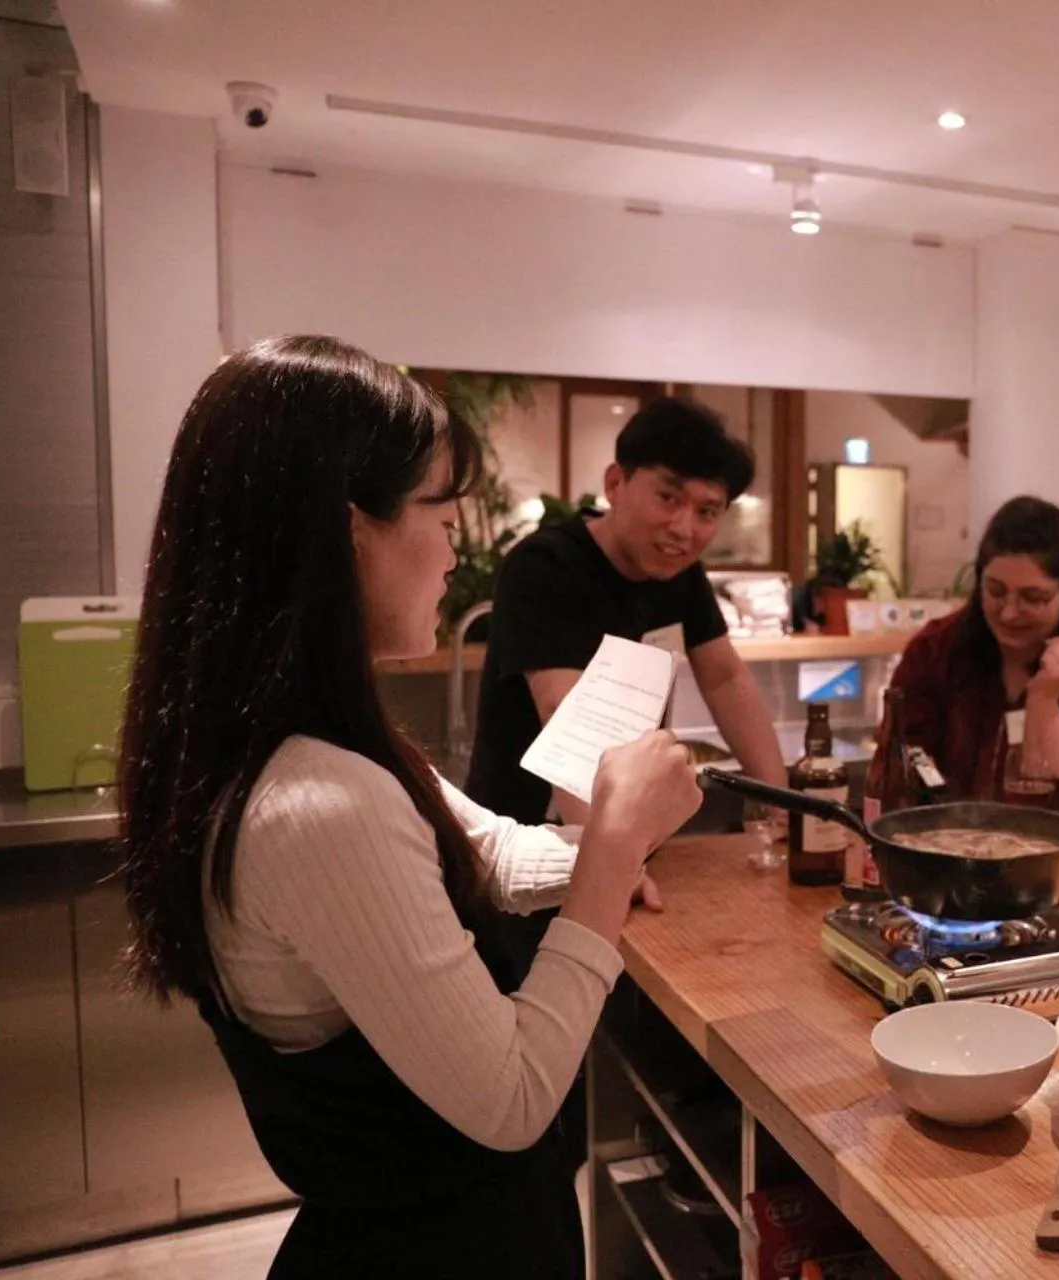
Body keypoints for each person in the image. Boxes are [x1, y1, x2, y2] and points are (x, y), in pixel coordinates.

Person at [118, 336, 703, 1278]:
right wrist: (608, 858)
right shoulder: (318, 802)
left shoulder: (296, 737)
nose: (453, 552)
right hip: (440, 1248)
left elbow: (495, 857)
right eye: (440, 513)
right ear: (353, 534)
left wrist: (616, 847)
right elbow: (513, 1099)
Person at [466, 396, 785, 827]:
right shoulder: (545, 566)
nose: (683, 528)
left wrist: (782, 807)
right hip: (523, 837)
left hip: (617, 829)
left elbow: (725, 678)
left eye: (706, 511)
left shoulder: (679, 574)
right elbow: (565, 711)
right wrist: (610, 856)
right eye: (668, 498)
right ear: (615, 483)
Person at [890, 495, 1059, 833]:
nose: (1010, 612)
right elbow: (900, 763)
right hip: (950, 851)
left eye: (1033, 598)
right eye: (996, 592)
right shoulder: (938, 648)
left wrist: (1045, 700)